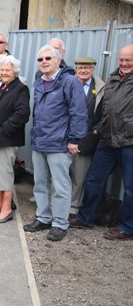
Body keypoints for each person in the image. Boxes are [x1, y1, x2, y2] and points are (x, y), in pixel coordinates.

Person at [24, 44, 87, 241]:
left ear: (58, 61)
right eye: (40, 59)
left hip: (59, 144)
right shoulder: (39, 82)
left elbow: (78, 112)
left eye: (48, 58)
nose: (43, 62)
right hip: (40, 141)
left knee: (61, 186)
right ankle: (43, 217)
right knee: (40, 183)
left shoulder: (69, 82)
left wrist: (74, 139)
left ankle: (60, 223)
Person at [71, 45, 133, 240]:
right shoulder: (113, 79)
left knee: (130, 187)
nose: (124, 63)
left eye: (128, 60)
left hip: (129, 141)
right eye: (121, 60)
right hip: (106, 141)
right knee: (94, 180)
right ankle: (85, 217)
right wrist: (99, 127)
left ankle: (126, 227)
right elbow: (104, 108)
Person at [0, 56, 30, 223]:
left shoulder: (20, 89)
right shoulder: (3, 87)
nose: (3, 73)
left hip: (5, 140)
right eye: (1, 70)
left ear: (15, 71)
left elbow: (23, 113)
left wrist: (5, 130)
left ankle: (7, 209)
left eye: (7, 70)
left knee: (4, 176)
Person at [67, 57, 105, 216]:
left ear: (93, 69)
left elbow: (105, 114)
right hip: (65, 137)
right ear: (75, 68)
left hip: (86, 139)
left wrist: (95, 131)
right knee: (62, 175)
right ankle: (57, 205)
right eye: (80, 67)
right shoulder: (67, 84)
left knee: (79, 176)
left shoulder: (101, 89)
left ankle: (73, 208)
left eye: (87, 68)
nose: (83, 70)